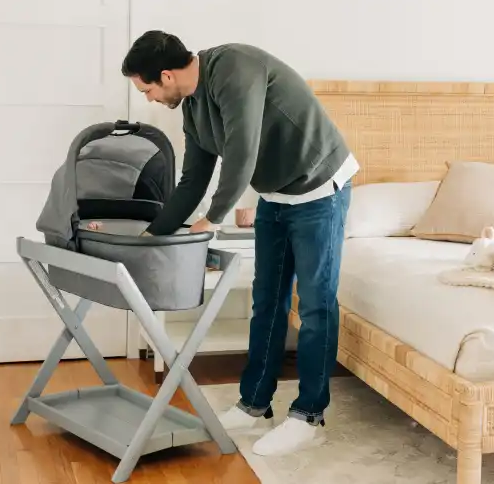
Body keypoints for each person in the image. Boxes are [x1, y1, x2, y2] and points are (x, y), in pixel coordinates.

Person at [121, 30, 358, 456]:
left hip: (320, 190)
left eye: (147, 88)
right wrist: (152, 235)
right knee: (267, 300)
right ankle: (254, 404)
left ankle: (308, 413)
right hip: (276, 197)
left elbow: (242, 150)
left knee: (317, 303)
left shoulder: (233, 67)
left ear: (167, 75)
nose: (149, 99)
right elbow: (193, 179)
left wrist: (212, 219)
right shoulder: (192, 108)